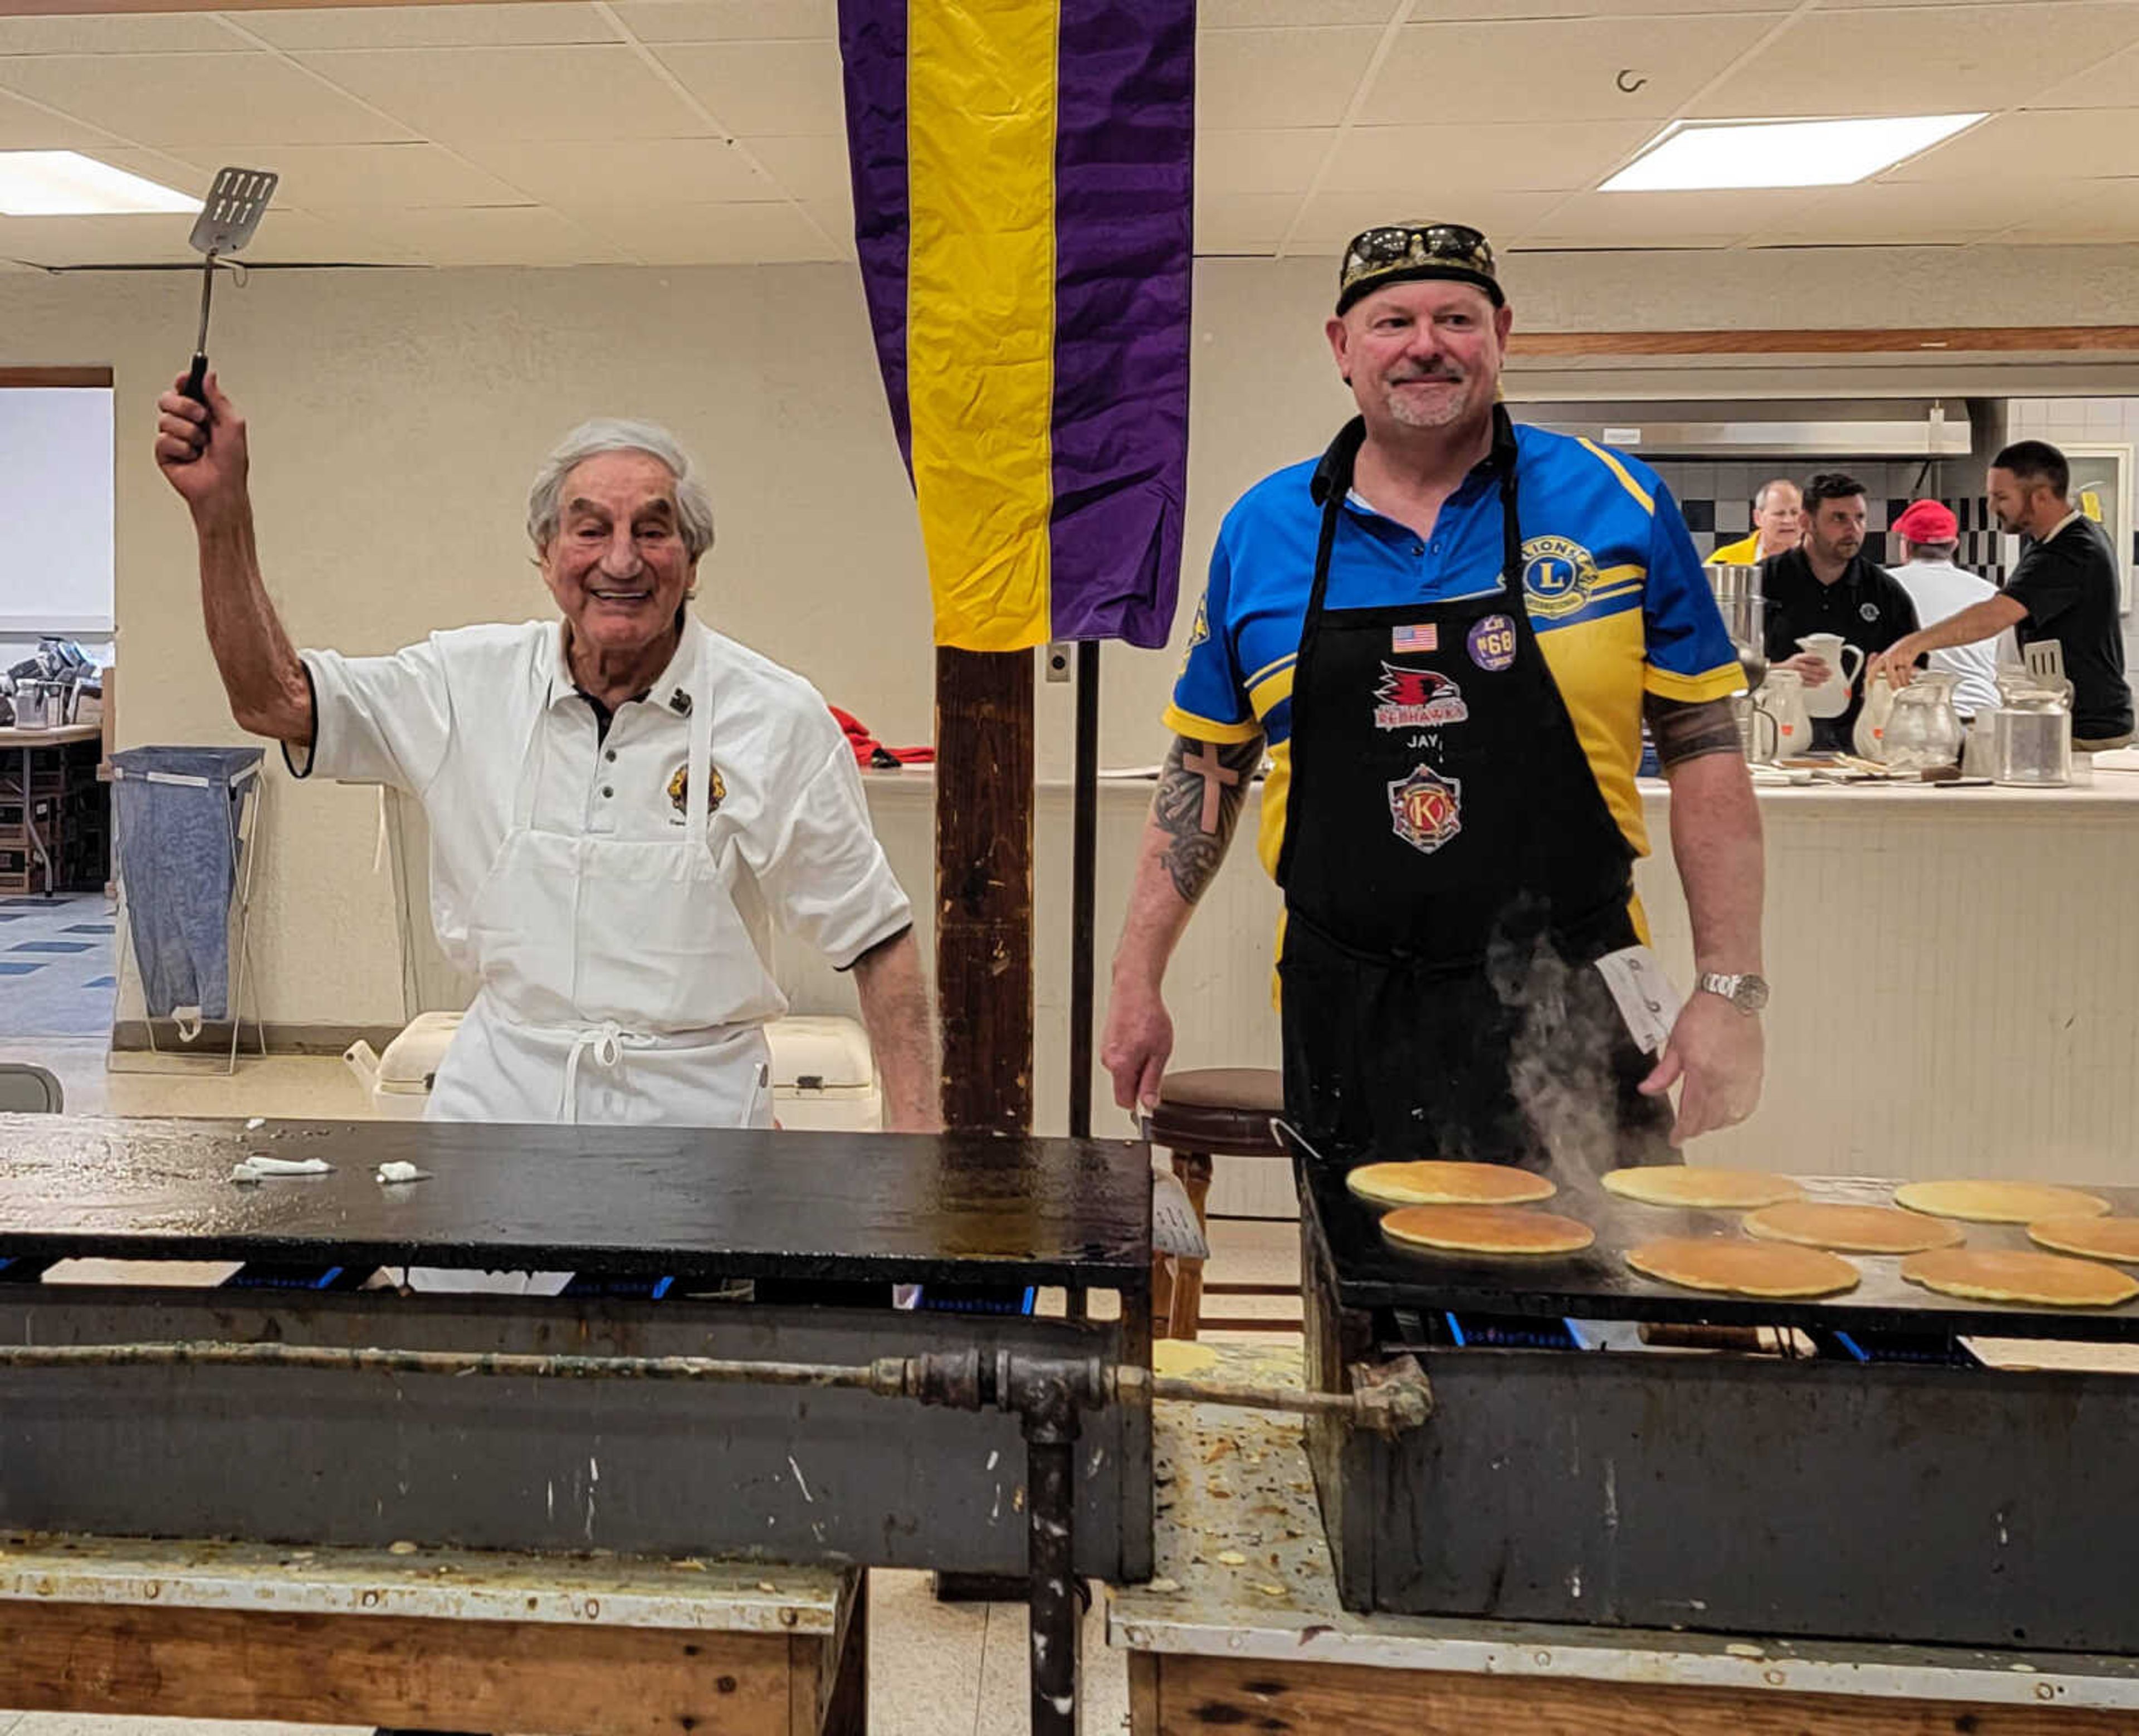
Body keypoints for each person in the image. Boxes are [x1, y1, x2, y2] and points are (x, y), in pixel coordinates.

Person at [1099, 220, 1766, 1169]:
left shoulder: (1616, 500)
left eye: (1455, 317)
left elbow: (1704, 749)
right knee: (1364, 1293)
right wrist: (1137, 977)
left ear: (1500, 332)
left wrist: (1729, 991)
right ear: (1342, 347)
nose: (1425, 344)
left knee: (1605, 1291)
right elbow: (1207, 762)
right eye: (1392, 321)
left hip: (1572, 987)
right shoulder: (1265, 530)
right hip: (1348, 1003)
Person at [154, 374, 941, 1135]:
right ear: (546, 553)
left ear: (693, 562)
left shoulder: (774, 717)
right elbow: (275, 702)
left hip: (694, 1120)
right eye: (591, 529)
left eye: (654, 530)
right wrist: (222, 516)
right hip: (498, 1106)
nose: (622, 561)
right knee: (450, 1277)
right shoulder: (464, 684)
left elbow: (877, 938)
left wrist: (917, 1155)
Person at [1870, 442, 2134, 751]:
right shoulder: (2050, 541)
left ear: (2041, 497)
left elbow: (1995, 616)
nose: (1992, 507)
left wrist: (1911, 645)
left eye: (2001, 497)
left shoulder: (2073, 549)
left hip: (2085, 730)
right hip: (2061, 721)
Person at [1760, 472, 1921, 752]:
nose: (1854, 529)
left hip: (1861, 746)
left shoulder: (1885, 592)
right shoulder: (1765, 580)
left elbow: (1917, 669)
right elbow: (1722, 662)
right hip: (1775, 739)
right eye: (1839, 518)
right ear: (1806, 523)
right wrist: (1776, 673)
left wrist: (1885, 678)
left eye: (1859, 518)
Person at [1884, 500, 2005, 720]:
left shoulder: (1884, 586)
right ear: (1954, 545)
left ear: (1907, 545)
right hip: (1983, 718)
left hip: (1914, 719)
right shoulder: (1991, 593)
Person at [1709, 477, 1803, 566]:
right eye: (1779, 514)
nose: (1788, 521)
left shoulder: (1816, 561)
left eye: (1795, 513)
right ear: (1758, 518)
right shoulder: (1725, 561)